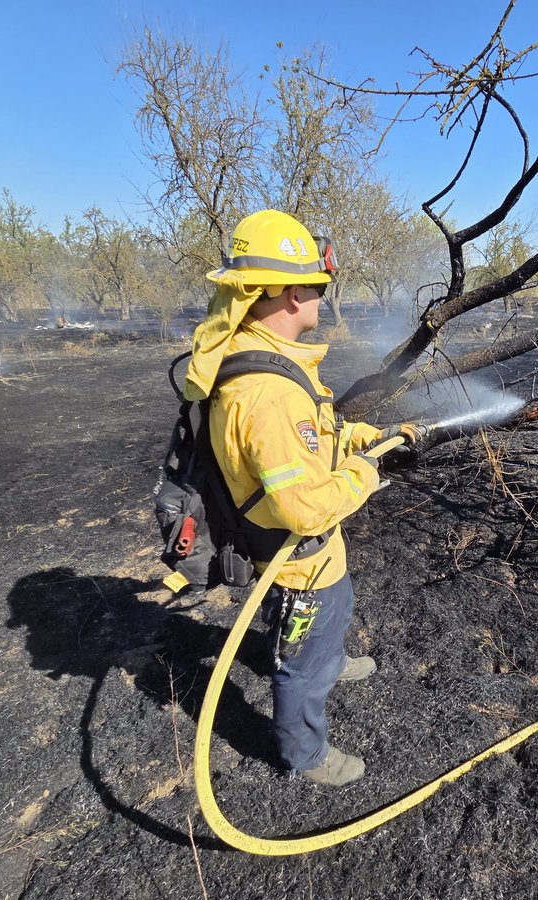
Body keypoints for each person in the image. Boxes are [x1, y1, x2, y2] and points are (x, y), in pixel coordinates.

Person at [183, 210, 422, 786]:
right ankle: (304, 754)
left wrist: (366, 438)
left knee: (332, 617)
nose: (323, 296)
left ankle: (327, 660)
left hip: (316, 557)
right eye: (319, 286)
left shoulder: (274, 358)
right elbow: (303, 507)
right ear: (292, 292)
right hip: (295, 563)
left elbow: (314, 433)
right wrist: (365, 472)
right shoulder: (265, 394)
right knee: (301, 667)